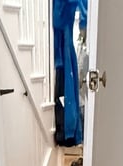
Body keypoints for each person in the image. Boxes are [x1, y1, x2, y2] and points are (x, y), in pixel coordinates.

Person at [53, 0, 88, 147]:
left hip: (66, 36)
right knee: (65, 90)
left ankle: (70, 132)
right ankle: (67, 132)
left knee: (70, 89)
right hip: (63, 36)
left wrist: (84, 23)